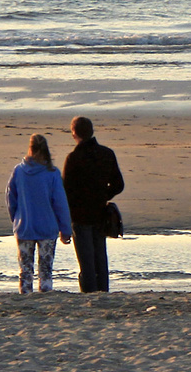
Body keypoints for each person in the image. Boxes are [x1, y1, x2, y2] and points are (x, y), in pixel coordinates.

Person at [62, 115, 126, 293]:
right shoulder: (106, 154)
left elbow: (65, 192)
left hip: (79, 215)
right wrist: (103, 195)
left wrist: (64, 222)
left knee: (86, 261)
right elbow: (119, 185)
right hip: (99, 212)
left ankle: (89, 294)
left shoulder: (73, 158)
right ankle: (102, 292)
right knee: (100, 257)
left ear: (74, 133)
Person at [5, 133, 72, 294]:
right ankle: (45, 294)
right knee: (46, 270)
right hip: (47, 228)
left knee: (25, 271)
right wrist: (66, 229)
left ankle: (25, 295)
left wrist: (16, 218)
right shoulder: (52, 173)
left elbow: (10, 198)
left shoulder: (19, 171)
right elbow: (60, 204)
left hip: (25, 227)